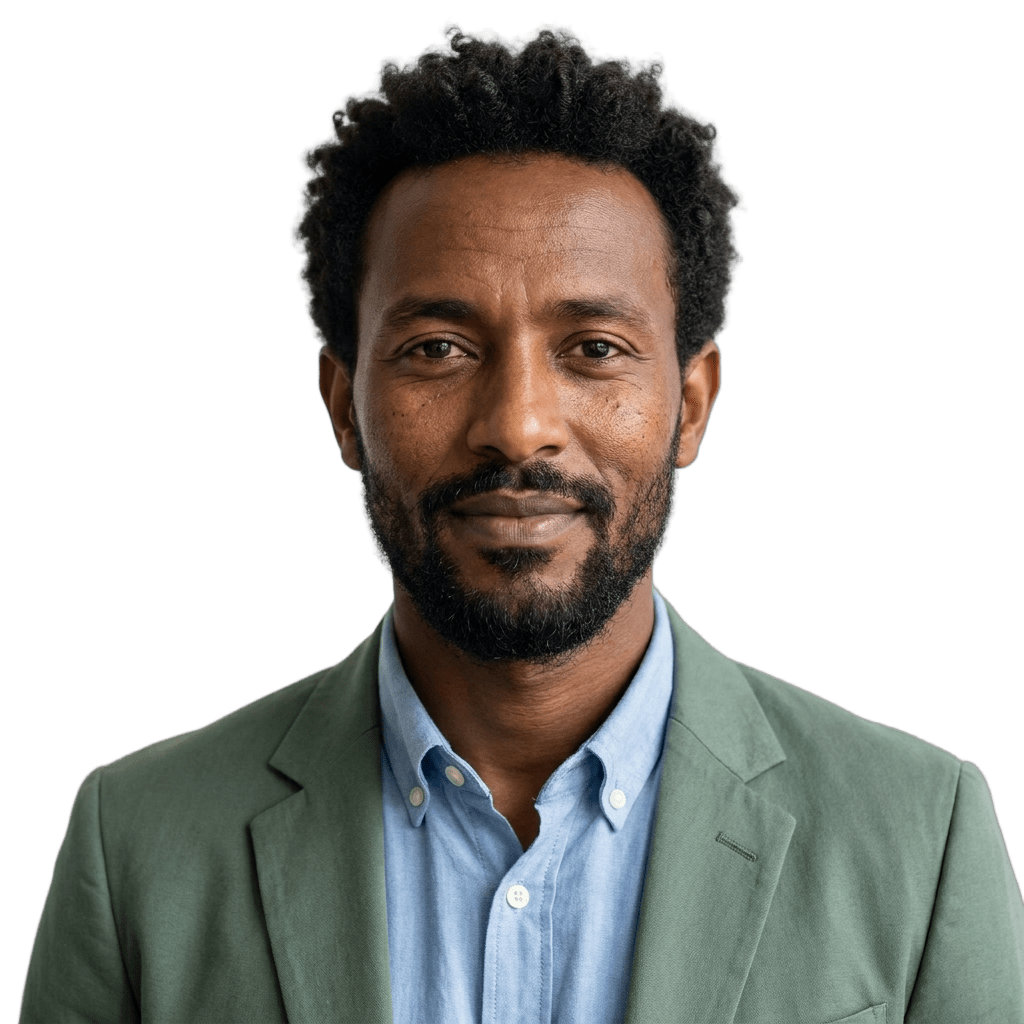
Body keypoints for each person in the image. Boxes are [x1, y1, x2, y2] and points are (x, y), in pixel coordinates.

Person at [19, 21, 1023, 1024]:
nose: (517, 425)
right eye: (438, 348)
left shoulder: (919, 836)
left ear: (690, 404)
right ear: (342, 406)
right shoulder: (137, 842)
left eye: (593, 347)